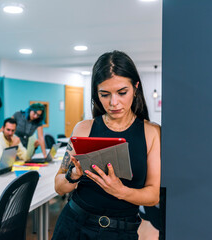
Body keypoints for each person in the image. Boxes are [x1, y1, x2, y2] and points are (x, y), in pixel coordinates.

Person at [52, 50, 161, 240]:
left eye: (122, 93)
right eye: (104, 94)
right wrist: (73, 175)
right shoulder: (83, 129)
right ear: (96, 93)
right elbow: (59, 186)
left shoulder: (151, 132)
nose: (113, 103)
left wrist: (121, 191)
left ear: (135, 87)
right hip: (74, 225)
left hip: (121, 231)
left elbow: (153, 196)